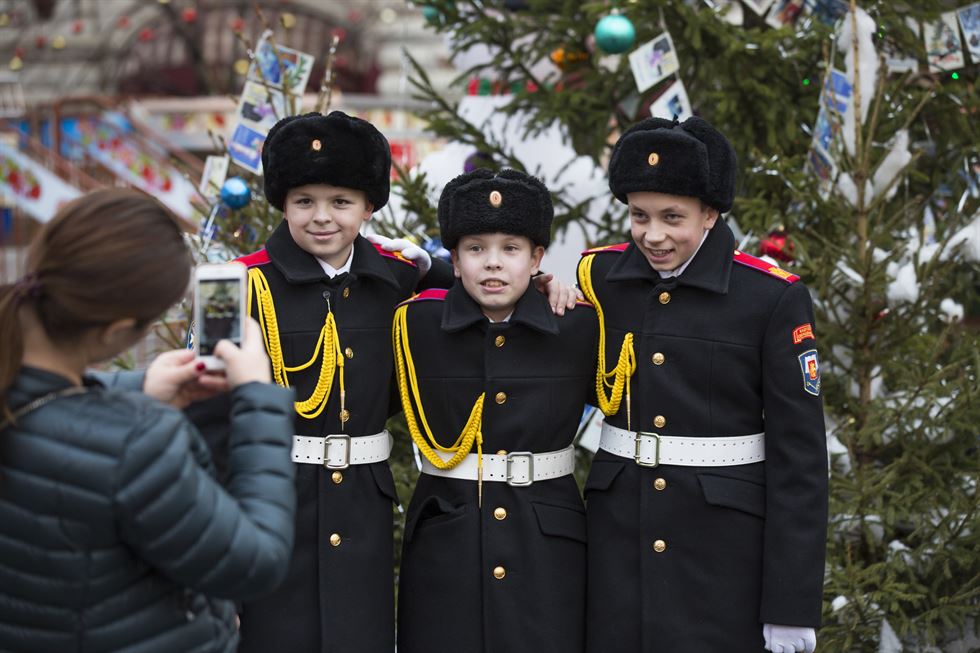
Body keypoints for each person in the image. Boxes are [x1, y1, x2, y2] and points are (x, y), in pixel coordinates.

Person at [231, 111, 579, 653]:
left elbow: (480, 286)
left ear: (369, 207)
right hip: (277, 500)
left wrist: (541, 283)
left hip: (365, 508)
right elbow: (211, 410)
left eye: (341, 202)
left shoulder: (397, 274)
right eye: (304, 201)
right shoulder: (242, 284)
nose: (322, 217)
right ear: (281, 203)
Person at [0, 188, 297, 653]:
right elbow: (256, 560)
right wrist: (259, 401)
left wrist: (137, 389)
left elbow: (52, 412)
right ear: (116, 333)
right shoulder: (136, 444)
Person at [576, 117, 828, 653]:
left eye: (673, 218)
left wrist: (790, 606)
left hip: (722, 560)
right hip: (619, 549)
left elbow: (800, 461)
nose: (653, 235)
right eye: (639, 216)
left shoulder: (769, 298)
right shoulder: (599, 279)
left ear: (710, 214)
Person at [393, 169, 598, 653]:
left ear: (537, 258)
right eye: (476, 248)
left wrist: (553, 287)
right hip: (448, 540)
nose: (493, 264)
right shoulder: (417, 324)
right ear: (456, 258)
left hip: (547, 543)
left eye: (511, 249)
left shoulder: (576, 325)